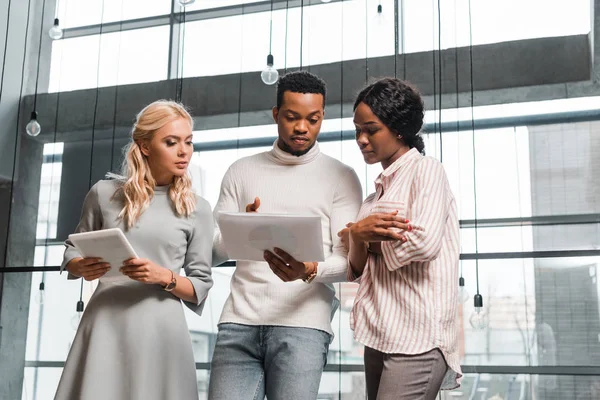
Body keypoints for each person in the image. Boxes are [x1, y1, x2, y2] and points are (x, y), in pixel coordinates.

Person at [208, 71, 363, 400]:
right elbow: (211, 253)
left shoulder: (341, 177)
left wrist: (308, 270)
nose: (302, 128)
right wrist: (239, 230)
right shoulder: (241, 171)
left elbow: (350, 264)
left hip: (303, 327)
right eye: (292, 117)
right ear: (277, 114)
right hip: (239, 323)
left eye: (313, 119)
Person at [55, 100, 214, 400]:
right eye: (172, 142)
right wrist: (79, 266)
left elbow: (200, 286)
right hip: (106, 323)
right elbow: (72, 250)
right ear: (144, 146)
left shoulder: (198, 209)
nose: (184, 151)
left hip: (162, 330)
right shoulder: (103, 193)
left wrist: (163, 276)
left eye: (189, 142)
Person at [339, 78, 462, 399]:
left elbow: (423, 242)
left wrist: (363, 236)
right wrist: (358, 237)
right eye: (357, 130)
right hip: (379, 335)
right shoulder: (373, 197)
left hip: (418, 336)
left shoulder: (427, 171)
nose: (361, 139)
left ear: (399, 128)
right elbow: (358, 268)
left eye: (371, 129)